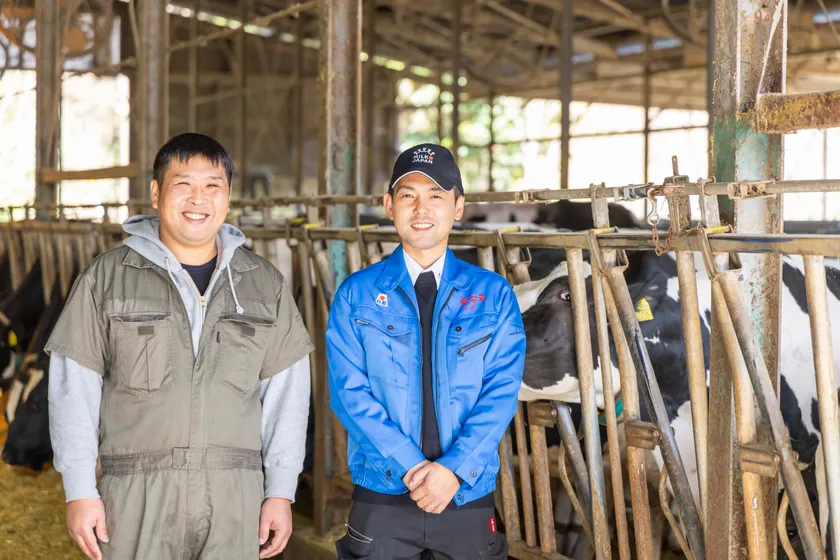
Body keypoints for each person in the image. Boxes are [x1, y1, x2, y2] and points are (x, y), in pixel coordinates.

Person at [46, 133, 314, 560]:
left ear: (228, 197)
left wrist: (281, 491)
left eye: (213, 185)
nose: (198, 199)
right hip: (135, 496)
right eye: (183, 184)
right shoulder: (108, 277)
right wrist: (78, 489)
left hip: (235, 495)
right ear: (156, 192)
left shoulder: (264, 284)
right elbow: (72, 390)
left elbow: (288, 398)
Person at [325, 143, 526, 559]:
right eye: (408, 195)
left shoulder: (493, 295)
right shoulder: (357, 295)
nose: (421, 208)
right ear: (389, 205)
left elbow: (501, 392)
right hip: (382, 493)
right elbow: (349, 394)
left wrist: (452, 469)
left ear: (458, 207)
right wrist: (412, 468)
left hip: (465, 496)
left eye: (436, 196)